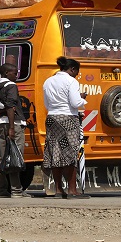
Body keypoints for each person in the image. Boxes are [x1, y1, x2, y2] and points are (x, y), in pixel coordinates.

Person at [42, 57, 89, 199]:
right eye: (76, 72)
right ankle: (72, 190)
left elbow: (46, 104)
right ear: (72, 69)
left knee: (55, 153)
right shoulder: (71, 81)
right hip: (68, 119)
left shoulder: (48, 81)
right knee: (70, 153)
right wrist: (82, 98)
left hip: (52, 118)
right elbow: (75, 103)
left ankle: (58, 190)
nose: (76, 75)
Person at [0, 63, 26, 198]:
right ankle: (16, 190)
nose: (16, 76)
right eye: (14, 73)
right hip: (14, 124)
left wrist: (2, 111)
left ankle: (0, 190)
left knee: (1, 157)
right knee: (15, 156)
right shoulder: (11, 86)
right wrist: (11, 127)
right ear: (6, 73)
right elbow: (11, 106)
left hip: (1, 124)